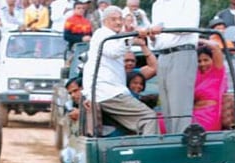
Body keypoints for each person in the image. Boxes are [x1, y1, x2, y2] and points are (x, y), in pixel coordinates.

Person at [83, 6, 158, 135]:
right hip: (108, 92)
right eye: (113, 19)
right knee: (149, 118)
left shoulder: (115, 37)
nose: (118, 22)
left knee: (138, 124)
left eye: (120, 19)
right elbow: (113, 52)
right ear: (105, 21)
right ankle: (149, 154)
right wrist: (130, 37)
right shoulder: (103, 34)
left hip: (108, 92)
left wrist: (136, 37)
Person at [144, 0, 199, 134]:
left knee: (180, 107)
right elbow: (157, 41)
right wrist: (152, 36)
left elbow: (189, 26)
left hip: (182, 52)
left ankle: (182, 143)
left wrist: (162, 28)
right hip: (163, 55)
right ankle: (172, 141)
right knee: (167, 108)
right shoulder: (157, 5)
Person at [193, 39, 226, 131]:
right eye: (199, 61)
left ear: (213, 60)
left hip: (208, 116)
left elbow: (215, 47)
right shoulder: (196, 75)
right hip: (193, 114)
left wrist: (196, 38)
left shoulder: (217, 71)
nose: (202, 63)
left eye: (206, 60)